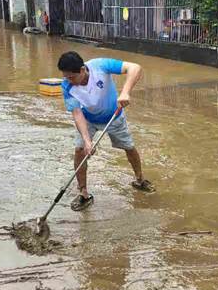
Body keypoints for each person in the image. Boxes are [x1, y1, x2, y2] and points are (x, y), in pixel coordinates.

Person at [58, 51, 154, 211]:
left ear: (82, 70)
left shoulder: (100, 65)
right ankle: (83, 192)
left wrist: (125, 92)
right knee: (79, 150)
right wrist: (88, 141)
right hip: (88, 118)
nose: (69, 81)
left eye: (72, 77)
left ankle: (140, 179)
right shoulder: (67, 86)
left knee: (129, 147)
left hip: (113, 116)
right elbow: (77, 113)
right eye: (66, 77)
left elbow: (135, 67)